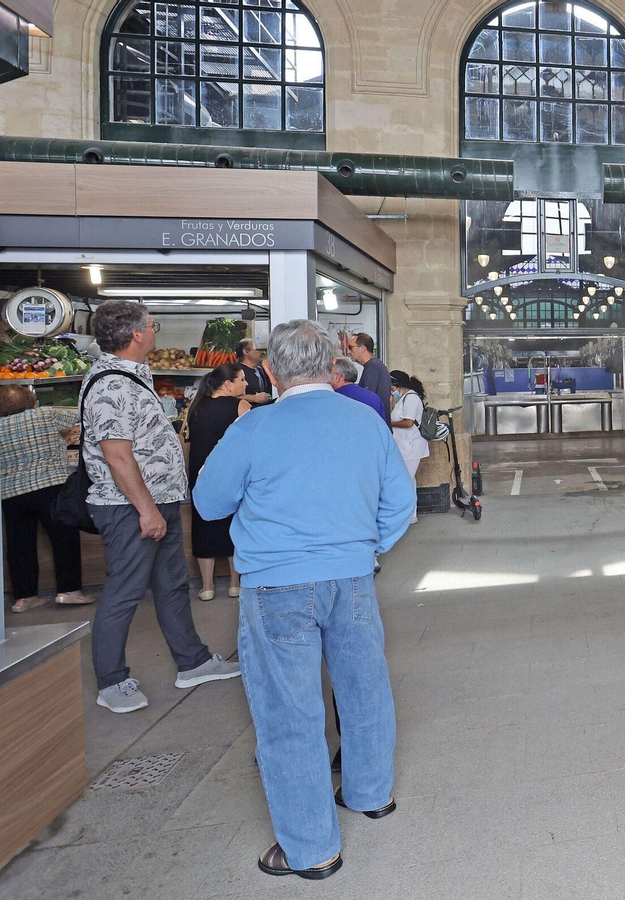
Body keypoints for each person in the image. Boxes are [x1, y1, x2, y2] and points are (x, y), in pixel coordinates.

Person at [193, 319, 413, 882]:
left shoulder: (255, 427)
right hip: (353, 577)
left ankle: (312, 846)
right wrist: (361, 548)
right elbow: (399, 504)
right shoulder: (365, 420)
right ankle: (369, 793)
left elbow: (210, 503)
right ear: (334, 368)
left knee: (288, 710)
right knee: (364, 685)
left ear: (269, 370)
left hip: (276, 584)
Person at [80, 300, 240, 714]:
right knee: (124, 593)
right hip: (131, 508)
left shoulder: (134, 376)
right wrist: (146, 510)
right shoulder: (111, 385)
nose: (156, 331)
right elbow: (117, 455)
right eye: (153, 325)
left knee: (171, 587)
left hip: (159, 502)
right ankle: (111, 681)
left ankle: (194, 662)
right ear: (136, 334)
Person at [0, 385, 94, 612]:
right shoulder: (45, 414)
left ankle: (24, 597)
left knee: (19, 545)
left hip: (11, 493)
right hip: (50, 486)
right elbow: (80, 417)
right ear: (30, 399)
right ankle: (69, 591)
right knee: (64, 538)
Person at [183, 364, 250, 601]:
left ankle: (207, 586)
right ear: (228, 384)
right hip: (231, 473)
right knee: (235, 525)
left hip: (200, 473)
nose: (246, 384)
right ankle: (235, 584)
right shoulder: (241, 406)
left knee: (203, 525)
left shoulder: (196, 405)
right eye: (242, 380)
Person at [389, 370, 430, 525]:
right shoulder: (403, 398)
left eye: (392, 388)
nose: (391, 391)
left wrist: (389, 422)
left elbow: (408, 422)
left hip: (410, 446)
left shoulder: (411, 398)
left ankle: (407, 514)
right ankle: (411, 515)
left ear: (398, 384)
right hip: (404, 446)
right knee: (409, 480)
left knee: (405, 481)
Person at [350, 334, 391, 428]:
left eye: (350, 347)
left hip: (375, 425)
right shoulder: (373, 366)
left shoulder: (373, 367)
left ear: (362, 348)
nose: (348, 351)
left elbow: (367, 398)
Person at [236, 338, 273, 406]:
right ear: (246, 351)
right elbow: (228, 397)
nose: (263, 352)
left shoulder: (262, 370)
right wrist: (254, 398)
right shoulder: (234, 370)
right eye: (258, 349)